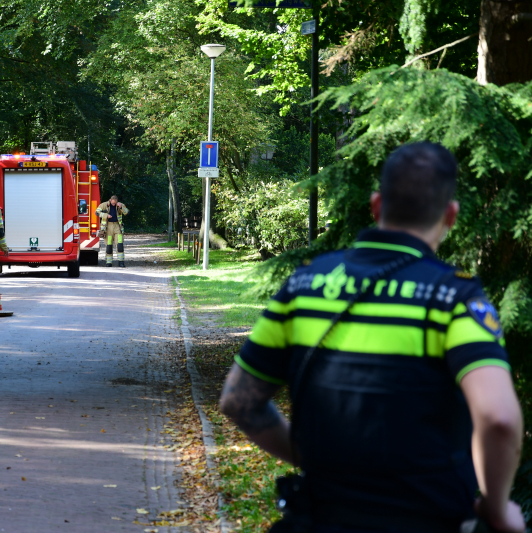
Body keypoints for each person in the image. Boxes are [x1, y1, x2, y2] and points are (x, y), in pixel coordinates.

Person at [220, 142, 525, 533]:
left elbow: (238, 402)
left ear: (377, 205)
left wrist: (317, 459)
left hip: (320, 517)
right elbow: (498, 418)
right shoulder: (454, 297)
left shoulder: (305, 283)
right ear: (450, 215)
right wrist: (498, 511)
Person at [96, 195, 129, 267]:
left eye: (115, 203)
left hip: (118, 226)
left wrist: (121, 207)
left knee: (120, 244)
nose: (114, 204)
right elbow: (97, 212)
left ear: (117, 201)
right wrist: (105, 215)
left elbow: (127, 213)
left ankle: (121, 262)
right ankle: (109, 262)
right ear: (110, 200)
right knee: (109, 246)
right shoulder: (104, 205)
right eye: (113, 203)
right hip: (108, 227)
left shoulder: (120, 205)